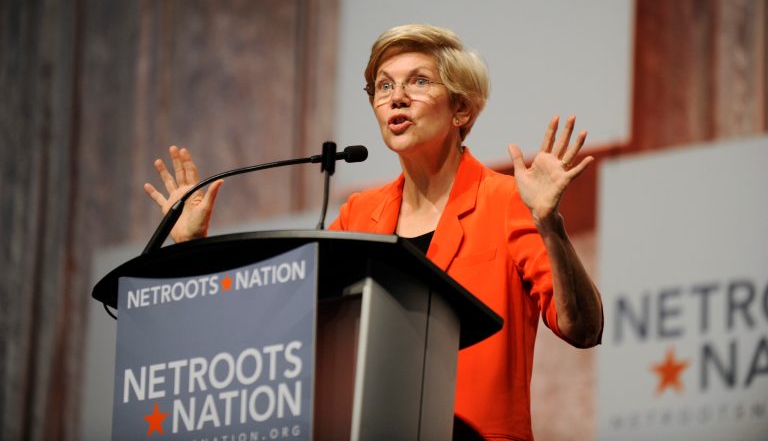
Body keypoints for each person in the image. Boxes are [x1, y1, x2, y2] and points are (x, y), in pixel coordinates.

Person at [145, 24, 603, 440]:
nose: (395, 98)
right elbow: (278, 333)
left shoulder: (506, 201)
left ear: (460, 108)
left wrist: (550, 225)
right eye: (383, 86)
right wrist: (191, 248)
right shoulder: (360, 215)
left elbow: (583, 328)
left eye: (418, 82)